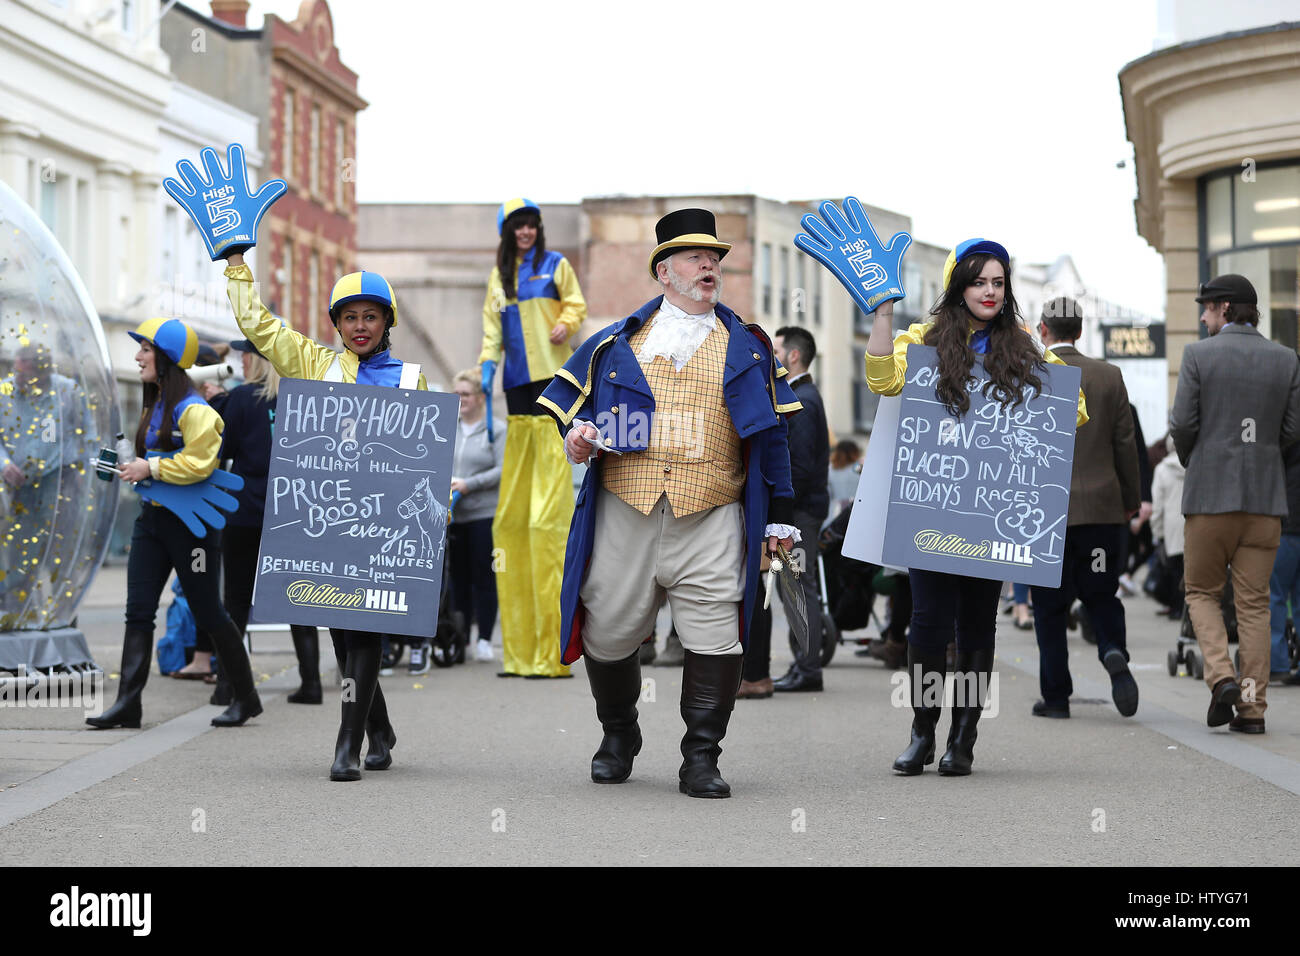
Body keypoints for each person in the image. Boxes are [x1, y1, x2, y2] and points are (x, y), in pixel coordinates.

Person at [539, 208, 801, 798]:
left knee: (716, 636)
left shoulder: (751, 347)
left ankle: (701, 757)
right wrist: (579, 438)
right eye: (694, 257)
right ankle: (619, 734)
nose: (709, 265)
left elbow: (774, 437)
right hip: (625, 509)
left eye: (714, 258)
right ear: (663, 271)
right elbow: (581, 423)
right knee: (607, 632)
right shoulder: (616, 343)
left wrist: (781, 514)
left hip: (712, 512)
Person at [865, 238, 1087, 775]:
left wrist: (1044, 359)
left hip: (991, 514)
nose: (989, 292)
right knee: (926, 624)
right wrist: (882, 310)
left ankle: (963, 739)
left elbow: (1073, 412)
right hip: (933, 508)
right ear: (957, 285)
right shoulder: (922, 337)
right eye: (978, 281)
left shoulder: (1024, 344)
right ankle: (922, 731)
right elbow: (882, 378)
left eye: (998, 282)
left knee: (977, 630)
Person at [223, 251, 427, 779]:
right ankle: (381, 730)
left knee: (363, 634)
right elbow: (258, 326)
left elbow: (426, 459)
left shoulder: (412, 380)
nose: (360, 327)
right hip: (329, 525)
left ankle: (348, 745)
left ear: (387, 322)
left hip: (384, 535)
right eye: (350, 317)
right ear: (336, 324)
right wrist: (239, 265)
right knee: (342, 636)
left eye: (370, 316)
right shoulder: (316, 364)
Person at [86, 318, 261, 729]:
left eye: (145, 349)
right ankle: (128, 704)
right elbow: (160, 464)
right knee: (138, 612)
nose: (137, 356)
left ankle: (246, 697)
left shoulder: (194, 409)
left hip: (192, 528)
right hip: (152, 523)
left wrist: (152, 466)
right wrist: (133, 467)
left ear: (166, 357)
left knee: (209, 610)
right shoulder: (157, 401)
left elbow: (202, 463)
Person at [1170, 273, 1300, 734]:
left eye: (1206, 308)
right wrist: (1261, 458)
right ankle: (1251, 710)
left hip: (1209, 499)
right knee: (1255, 607)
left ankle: (1222, 675)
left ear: (1225, 308)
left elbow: (1183, 424)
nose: (1203, 317)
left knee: (1202, 593)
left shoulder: (1198, 356)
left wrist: (1198, 459)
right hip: (1264, 503)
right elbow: (1290, 431)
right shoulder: (1286, 359)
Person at [479, 198, 587, 677]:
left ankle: (552, 647)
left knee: (547, 521)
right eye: (517, 227)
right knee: (515, 522)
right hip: (516, 385)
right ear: (507, 232)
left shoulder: (555, 265)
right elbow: (490, 328)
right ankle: (520, 652)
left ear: (538, 229)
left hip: (551, 377)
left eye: (530, 226)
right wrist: (486, 364)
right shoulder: (500, 276)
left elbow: (577, 303)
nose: (525, 232)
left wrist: (568, 320)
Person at [1030, 298, 1141, 720]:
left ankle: (1056, 697)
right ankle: (1112, 648)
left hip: (1046, 516)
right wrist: (1129, 499)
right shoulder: (1109, 376)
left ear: (1043, 330)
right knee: (1101, 592)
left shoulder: (1030, 374)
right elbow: (1125, 445)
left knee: (1049, 607)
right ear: (1078, 331)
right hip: (1100, 511)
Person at [216, 339, 324, 703]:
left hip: (246, 511)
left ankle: (227, 686)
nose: (241, 363)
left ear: (257, 360)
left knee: (235, 601)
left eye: (244, 356)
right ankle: (311, 683)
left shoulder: (242, 399)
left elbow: (224, 450)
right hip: (294, 513)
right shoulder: (304, 398)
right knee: (299, 600)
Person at [771, 326, 830, 692]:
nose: (772, 357)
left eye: (777, 351)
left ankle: (809, 669)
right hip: (800, 513)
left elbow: (800, 469)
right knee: (790, 586)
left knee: (796, 586)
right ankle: (803, 665)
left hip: (799, 515)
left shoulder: (803, 400)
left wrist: (782, 515)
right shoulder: (801, 395)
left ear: (793, 356)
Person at [448, 368, 505, 663]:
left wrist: (470, 484)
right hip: (452, 515)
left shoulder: (497, 429)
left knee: (484, 577)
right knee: (457, 578)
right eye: (456, 394)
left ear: (481, 397)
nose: (461, 399)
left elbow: (503, 469)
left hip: (484, 514)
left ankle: (484, 639)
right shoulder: (447, 427)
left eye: (466, 394)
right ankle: (461, 638)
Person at [1149, 434, 1186, 618]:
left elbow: (1158, 505)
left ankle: (1176, 608)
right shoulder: (1195, 466)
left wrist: (1156, 530)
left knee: (1173, 570)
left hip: (1171, 527)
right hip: (1192, 523)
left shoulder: (1162, 470)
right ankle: (1189, 610)